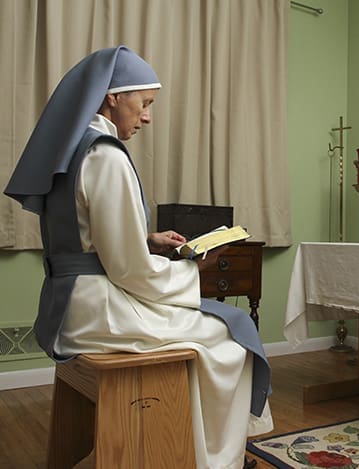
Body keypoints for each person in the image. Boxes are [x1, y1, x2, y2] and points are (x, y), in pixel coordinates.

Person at [4, 46, 271, 469]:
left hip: (69, 303)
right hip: (100, 311)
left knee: (217, 328)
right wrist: (191, 267)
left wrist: (145, 238)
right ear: (113, 97)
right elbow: (129, 270)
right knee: (229, 338)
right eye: (144, 104)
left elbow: (81, 234)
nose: (147, 117)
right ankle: (210, 457)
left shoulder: (72, 150)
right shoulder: (105, 155)